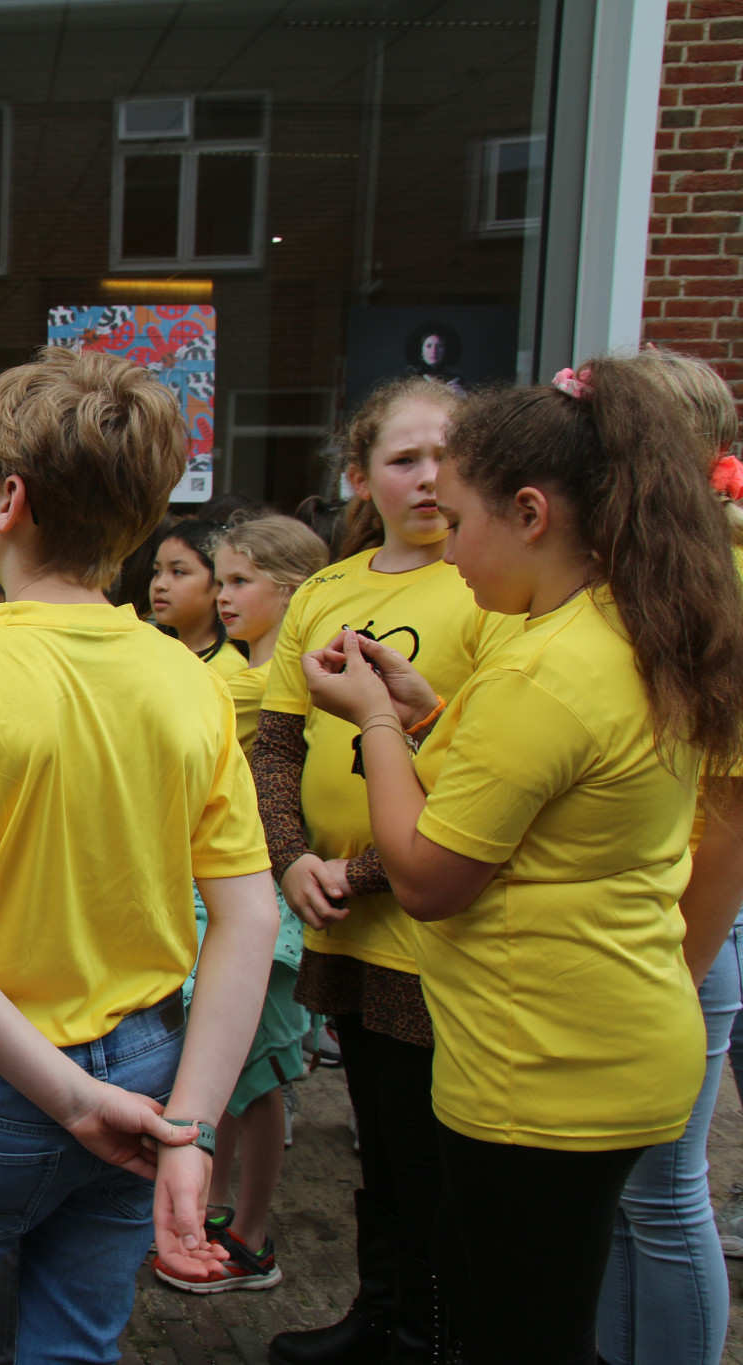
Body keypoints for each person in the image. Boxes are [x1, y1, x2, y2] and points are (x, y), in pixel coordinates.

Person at [296, 357, 743, 1365]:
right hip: (598, 1043)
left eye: (459, 522)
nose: (445, 550)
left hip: (541, 1068)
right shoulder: (624, 628)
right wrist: (425, 712)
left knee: (519, 1336)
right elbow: (562, 795)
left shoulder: (539, 672)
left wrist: (371, 722)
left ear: (531, 513)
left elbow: (428, 880)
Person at [0, 346, 279, 1364]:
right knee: (69, 1347)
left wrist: (69, 1099)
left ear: (6, 500)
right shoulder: (188, 683)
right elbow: (249, 915)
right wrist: (191, 1126)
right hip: (149, 1063)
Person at [258, 376, 519, 1365]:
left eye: (445, 455)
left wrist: (355, 870)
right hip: (344, 923)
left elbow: (481, 770)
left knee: (430, 1158)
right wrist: (290, 861)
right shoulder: (325, 590)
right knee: (377, 1133)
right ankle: (380, 1316)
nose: (427, 476)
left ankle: (427, 1331)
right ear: (357, 473)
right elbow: (275, 743)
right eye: (403, 458)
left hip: (433, 926)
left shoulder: (488, 585)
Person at [593, 346, 743, 1365]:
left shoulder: (716, 589)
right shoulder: (637, 577)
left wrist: (680, 973)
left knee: (659, 1189)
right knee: (618, 1194)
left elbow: (730, 813)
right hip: (636, 927)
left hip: (681, 931)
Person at [153, 515, 329, 1296]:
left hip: (263, 892)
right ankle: (217, 1208)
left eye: (238, 581)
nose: (224, 597)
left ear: (290, 592)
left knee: (259, 1073)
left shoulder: (274, 683)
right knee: (228, 1062)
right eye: (217, 580)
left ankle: (250, 1233)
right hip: (218, 885)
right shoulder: (230, 669)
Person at [150, 520, 246, 678]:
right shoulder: (154, 653)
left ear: (218, 583)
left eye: (178, 572)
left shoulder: (225, 669)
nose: (159, 585)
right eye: (157, 571)